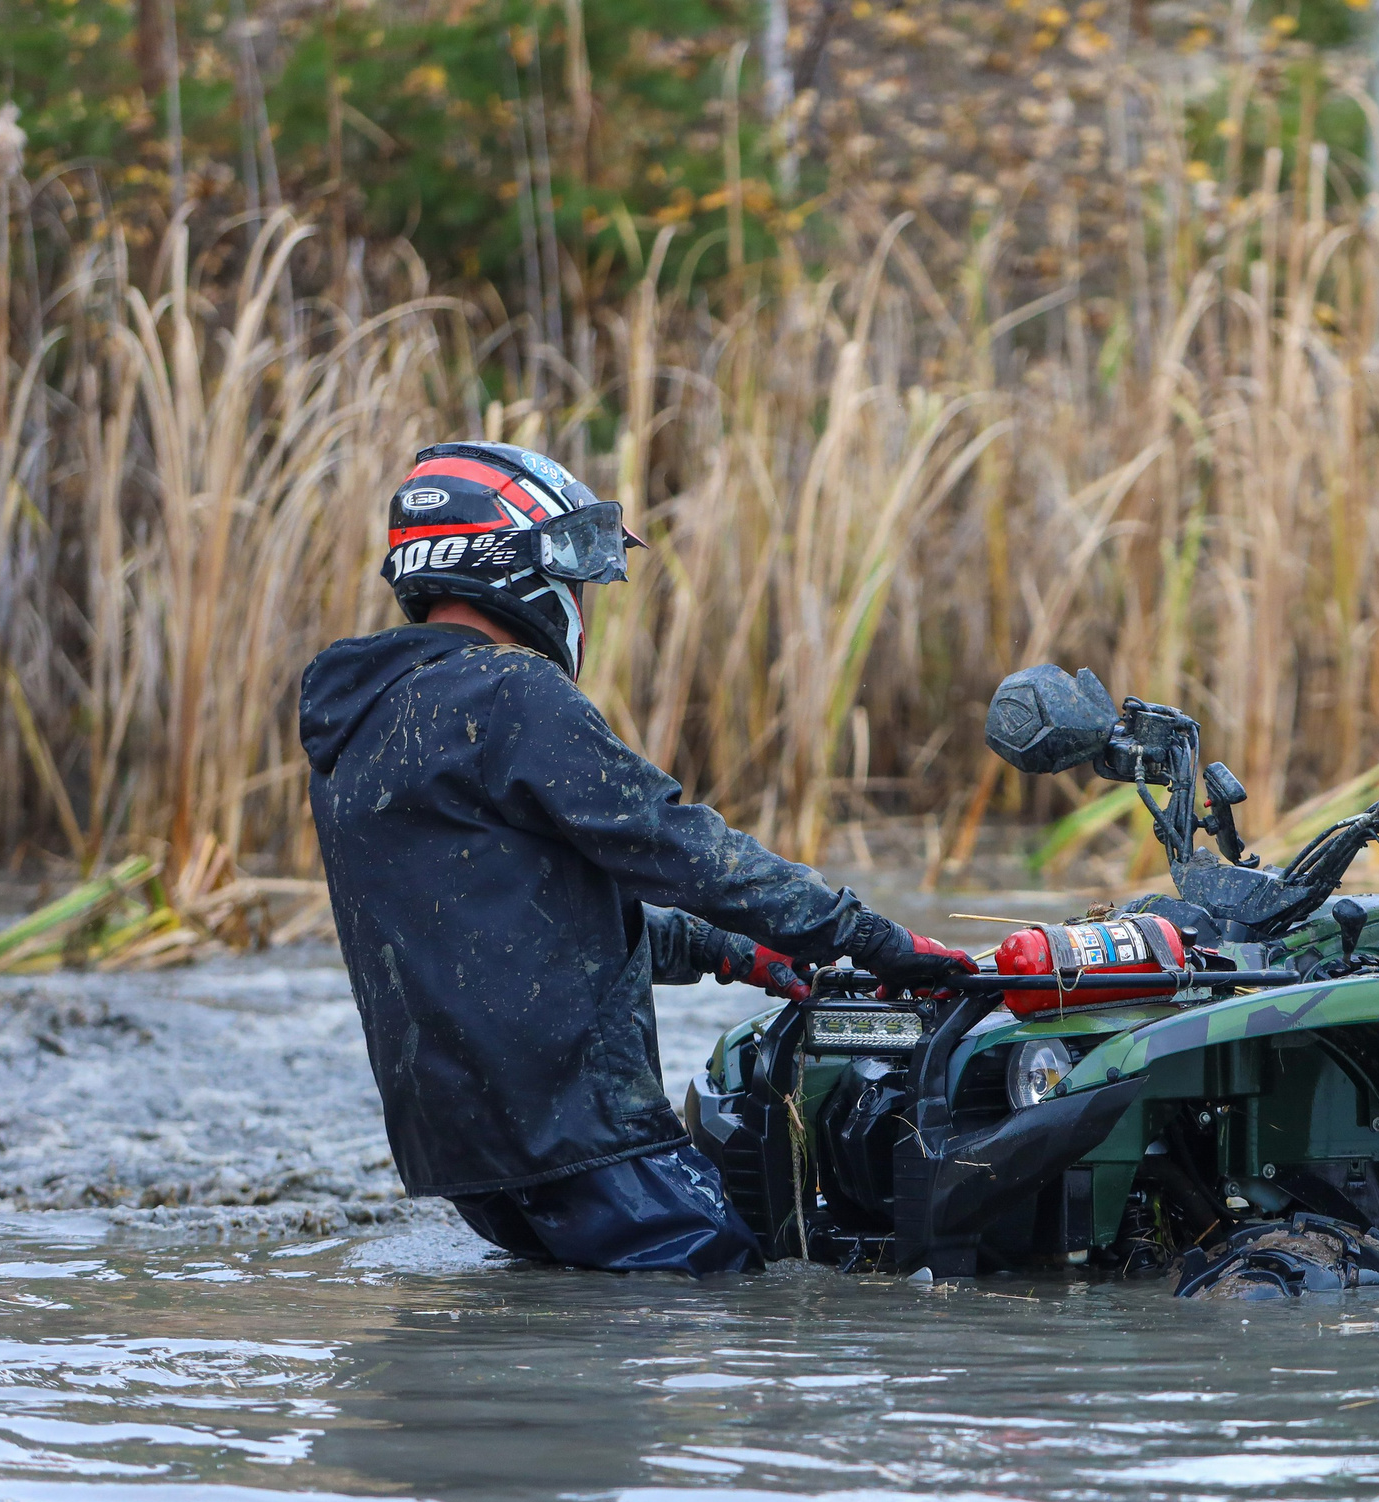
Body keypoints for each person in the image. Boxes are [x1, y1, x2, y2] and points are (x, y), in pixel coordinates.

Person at [297, 441, 973, 1276]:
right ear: (510, 562)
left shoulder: (363, 731)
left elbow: (519, 931)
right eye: (577, 575)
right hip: (582, 1136)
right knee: (720, 1292)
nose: (583, 598)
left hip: (470, 1159)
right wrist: (873, 939)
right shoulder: (515, 692)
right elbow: (684, 847)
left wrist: (734, 952)